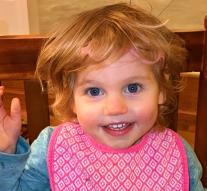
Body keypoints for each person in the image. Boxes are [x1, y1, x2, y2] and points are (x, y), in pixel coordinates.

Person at [0, 3, 205, 191]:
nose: (115, 108)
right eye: (94, 91)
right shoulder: (53, 148)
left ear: (160, 90)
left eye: (132, 88)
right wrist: (6, 154)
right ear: (72, 99)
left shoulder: (177, 155)